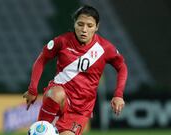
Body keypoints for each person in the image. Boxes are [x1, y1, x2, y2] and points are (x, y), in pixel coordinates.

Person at [23, 5, 128, 135]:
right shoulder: (62, 41)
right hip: (60, 95)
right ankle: (42, 128)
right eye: (80, 24)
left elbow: (121, 66)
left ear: (97, 27)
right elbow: (41, 60)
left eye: (89, 26)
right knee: (56, 93)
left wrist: (118, 94)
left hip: (81, 108)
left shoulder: (105, 48)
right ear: (74, 24)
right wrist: (33, 89)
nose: (84, 30)